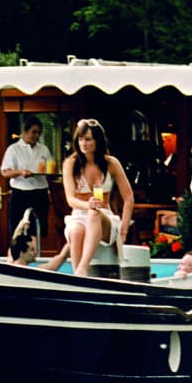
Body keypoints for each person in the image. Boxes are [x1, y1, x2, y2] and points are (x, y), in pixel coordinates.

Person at [62, 117, 136, 276]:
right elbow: (70, 199)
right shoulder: (71, 163)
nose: (83, 143)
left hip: (104, 217)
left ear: (98, 141)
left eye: (88, 139)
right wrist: (87, 205)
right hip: (79, 215)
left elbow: (129, 198)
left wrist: (123, 231)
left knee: (95, 212)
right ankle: (78, 277)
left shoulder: (111, 163)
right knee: (75, 231)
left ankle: (83, 266)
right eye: (81, 139)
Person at [0, 117, 53, 248]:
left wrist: (49, 172)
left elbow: (50, 167)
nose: (36, 135)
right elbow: (5, 172)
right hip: (20, 194)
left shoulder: (44, 149)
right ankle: (15, 257)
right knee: (18, 228)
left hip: (40, 193)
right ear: (25, 131)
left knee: (38, 228)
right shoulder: (14, 149)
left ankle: (36, 256)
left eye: (39, 133)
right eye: (34, 132)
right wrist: (20, 172)